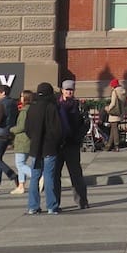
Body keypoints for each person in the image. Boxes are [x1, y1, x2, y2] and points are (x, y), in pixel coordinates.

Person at [24, 82, 63, 215]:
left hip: (35, 147)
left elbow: (27, 129)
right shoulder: (51, 107)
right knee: (49, 176)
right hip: (49, 147)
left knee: (35, 177)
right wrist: (56, 142)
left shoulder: (32, 108)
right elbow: (57, 130)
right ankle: (52, 206)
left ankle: (33, 206)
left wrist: (34, 139)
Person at [55, 80, 90, 210]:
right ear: (62, 90)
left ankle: (82, 201)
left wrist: (77, 137)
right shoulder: (56, 105)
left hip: (72, 145)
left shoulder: (79, 105)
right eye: (67, 90)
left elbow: (86, 123)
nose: (69, 92)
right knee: (55, 175)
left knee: (76, 174)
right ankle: (55, 203)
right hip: (59, 145)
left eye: (71, 90)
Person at [0, 84, 20, 194]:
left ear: (3, 93)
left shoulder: (1, 104)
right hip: (9, 132)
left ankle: (13, 176)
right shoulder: (13, 103)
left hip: (1, 133)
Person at [10, 89, 34, 195]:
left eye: (22, 96)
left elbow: (21, 127)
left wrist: (11, 129)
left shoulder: (24, 111)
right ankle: (21, 185)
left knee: (20, 164)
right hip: (28, 140)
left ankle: (37, 176)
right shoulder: (32, 109)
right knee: (22, 163)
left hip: (22, 140)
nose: (20, 98)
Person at [104, 78, 127, 151]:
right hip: (120, 112)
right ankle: (108, 145)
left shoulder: (115, 91)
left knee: (114, 129)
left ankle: (116, 145)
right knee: (113, 129)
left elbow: (113, 103)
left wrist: (108, 108)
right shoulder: (123, 91)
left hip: (114, 113)